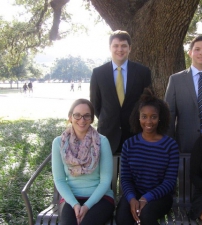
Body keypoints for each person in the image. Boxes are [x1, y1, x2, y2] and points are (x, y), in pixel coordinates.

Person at [115, 88, 179, 225]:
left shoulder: (170, 146)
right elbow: (125, 179)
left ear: (160, 118)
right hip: (134, 194)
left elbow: (169, 182)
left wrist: (146, 198)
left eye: (153, 117)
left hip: (160, 197)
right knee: (122, 218)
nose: (148, 121)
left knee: (146, 215)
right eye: (144, 116)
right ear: (138, 118)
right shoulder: (129, 144)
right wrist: (132, 199)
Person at [52, 99, 115, 225]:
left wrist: (86, 206)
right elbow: (59, 180)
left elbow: (105, 181)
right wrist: (75, 205)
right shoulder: (59, 143)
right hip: (71, 199)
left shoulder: (102, 142)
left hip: (101, 199)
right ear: (70, 117)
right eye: (77, 115)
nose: (82, 120)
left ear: (92, 119)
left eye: (87, 116)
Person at [90, 30, 152, 154]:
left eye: (124, 46)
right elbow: (95, 105)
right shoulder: (98, 73)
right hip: (107, 135)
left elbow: (147, 103)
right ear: (110, 48)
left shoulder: (143, 72)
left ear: (130, 48)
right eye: (116, 46)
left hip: (135, 134)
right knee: (109, 174)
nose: (120, 49)